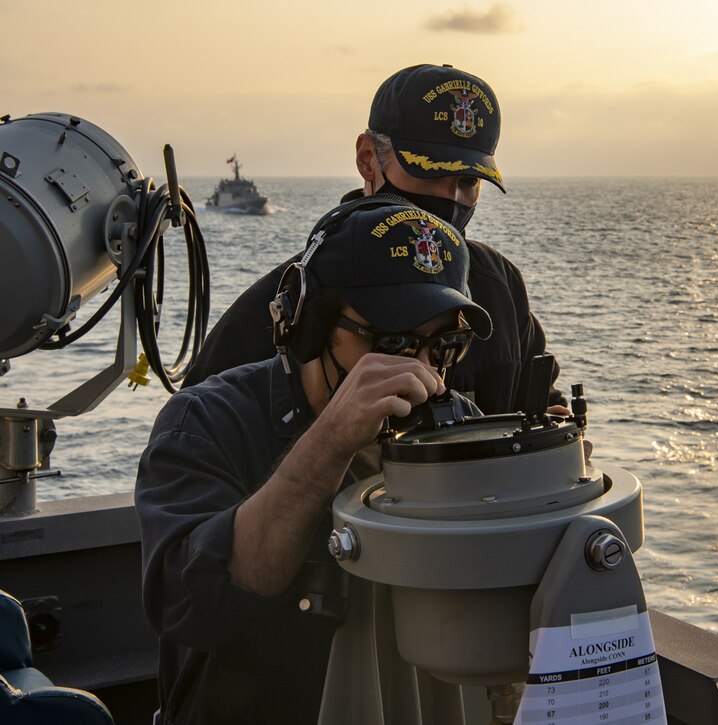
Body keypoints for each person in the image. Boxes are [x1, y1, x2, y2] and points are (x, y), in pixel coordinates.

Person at [136, 203, 490, 725]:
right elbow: (188, 606)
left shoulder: (455, 426)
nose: (419, 373)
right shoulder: (205, 421)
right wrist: (329, 443)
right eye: (391, 342)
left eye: (442, 347)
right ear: (311, 324)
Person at [184, 63, 564, 414]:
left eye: (468, 182)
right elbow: (198, 436)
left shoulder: (500, 286)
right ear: (368, 159)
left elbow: (539, 400)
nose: (451, 200)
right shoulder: (289, 305)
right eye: (429, 173)